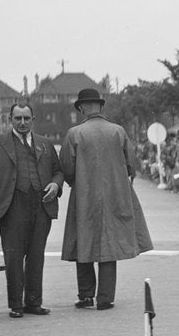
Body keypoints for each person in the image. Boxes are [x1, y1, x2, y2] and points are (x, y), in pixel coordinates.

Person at [0, 103, 64, 318]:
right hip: (12, 206)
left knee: (37, 255)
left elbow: (58, 172)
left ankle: (33, 303)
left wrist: (56, 185)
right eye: (18, 118)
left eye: (26, 118)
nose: (22, 123)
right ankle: (16, 306)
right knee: (14, 256)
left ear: (33, 119)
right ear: (10, 118)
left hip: (41, 205)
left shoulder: (46, 144)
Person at [60, 88, 153, 310]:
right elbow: (132, 165)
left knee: (83, 241)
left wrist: (77, 182)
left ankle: (85, 295)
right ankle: (105, 298)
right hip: (115, 195)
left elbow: (67, 167)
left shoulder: (74, 133)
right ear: (101, 107)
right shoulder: (118, 132)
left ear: (82, 108)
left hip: (84, 196)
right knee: (109, 244)